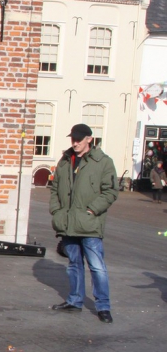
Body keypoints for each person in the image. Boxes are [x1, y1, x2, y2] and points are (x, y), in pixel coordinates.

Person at [49, 123, 118, 323]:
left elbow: (111, 191)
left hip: (90, 224)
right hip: (68, 223)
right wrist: (56, 211)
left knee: (97, 267)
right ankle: (75, 300)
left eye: (79, 139)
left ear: (89, 139)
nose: (75, 142)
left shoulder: (103, 162)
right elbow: (54, 188)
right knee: (74, 264)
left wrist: (93, 209)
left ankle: (103, 306)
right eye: (73, 139)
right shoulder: (65, 161)